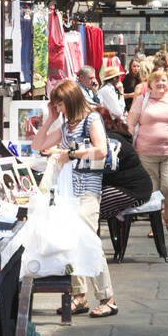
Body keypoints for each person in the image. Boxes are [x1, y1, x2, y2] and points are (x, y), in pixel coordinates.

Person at [33, 79, 118, 318]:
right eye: (56, 106)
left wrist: (68, 154)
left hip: (88, 188)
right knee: (71, 241)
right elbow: (37, 145)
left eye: (59, 105)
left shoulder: (91, 119)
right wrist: (49, 119)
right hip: (69, 190)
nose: (58, 109)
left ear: (70, 101)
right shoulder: (66, 125)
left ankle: (107, 297)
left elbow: (101, 150)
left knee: (90, 241)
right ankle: (79, 297)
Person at [128, 67, 168, 232]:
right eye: (157, 80)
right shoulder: (142, 99)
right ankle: (156, 221)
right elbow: (131, 122)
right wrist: (129, 137)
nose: (160, 83)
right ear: (150, 84)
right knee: (152, 190)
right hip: (145, 152)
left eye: (163, 80)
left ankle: (167, 213)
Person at [97, 110, 154, 248]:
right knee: (89, 202)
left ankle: (92, 250)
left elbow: (102, 171)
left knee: (91, 208)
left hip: (133, 191)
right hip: (136, 187)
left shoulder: (110, 141)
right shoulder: (113, 137)